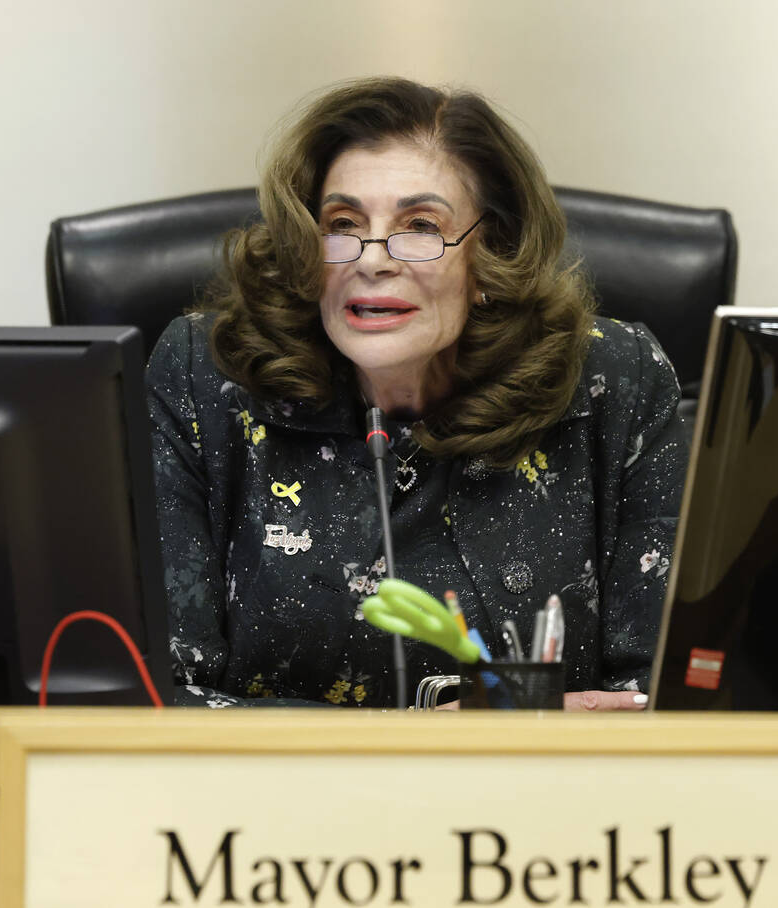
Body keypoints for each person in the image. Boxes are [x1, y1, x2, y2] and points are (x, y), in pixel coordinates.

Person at [146, 77, 687, 710]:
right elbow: (163, 695)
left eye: (421, 225)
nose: (371, 260)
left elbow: (661, 694)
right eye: (342, 224)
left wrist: (481, 725)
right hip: (277, 802)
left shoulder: (608, 381)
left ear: (492, 253)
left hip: (539, 800)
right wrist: (429, 735)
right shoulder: (211, 376)